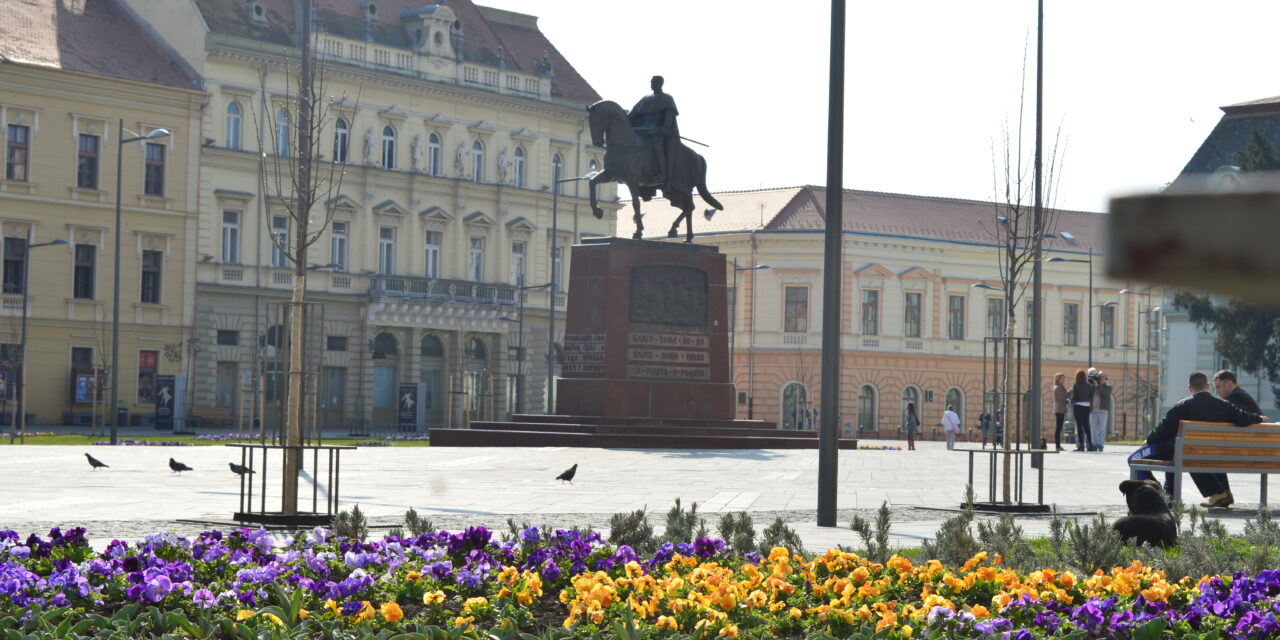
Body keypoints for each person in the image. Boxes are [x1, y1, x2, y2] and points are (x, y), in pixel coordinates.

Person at [1136, 371, 1268, 508]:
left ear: (1190, 388)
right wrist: (1257, 418)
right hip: (1209, 453)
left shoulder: (1182, 405)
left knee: (1134, 459)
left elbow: (1164, 428)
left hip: (1186, 453)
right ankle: (1174, 494)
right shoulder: (1223, 405)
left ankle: (1161, 495)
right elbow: (1241, 417)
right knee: (1180, 453)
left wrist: (1149, 440)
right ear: (1208, 386)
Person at [1213, 369, 1263, 499]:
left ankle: (1221, 493)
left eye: (1218, 387)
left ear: (1229, 384)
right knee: (1213, 454)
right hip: (1253, 449)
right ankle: (1222, 493)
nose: (1217, 392)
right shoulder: (1241, 395)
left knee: (1210, 456)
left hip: (1248, 451)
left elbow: (1230, 416)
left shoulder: (1236, 398)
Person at [628, 75, 679, 187]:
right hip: (643, 129)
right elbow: (634, 113)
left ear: (659, 84)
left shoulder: (667, 98)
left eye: (653, 82)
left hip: (657, 130)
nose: (651, 84)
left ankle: (662, 174)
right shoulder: (646, 98)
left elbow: (669, 114)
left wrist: (665, 127)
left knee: (657, 148)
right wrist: (624, 120)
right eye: (651, 82)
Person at [1070, 369, 1095, 451]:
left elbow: (1074, 397)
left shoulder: (1076, 385)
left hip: (1078, 406)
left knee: (1079, 426)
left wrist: (1071, 401)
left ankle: (1081, 446)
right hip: (1087, 406)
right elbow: (1091, 395)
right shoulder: (1088, 385)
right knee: (1086, 426)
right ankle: (1090, 445)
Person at [1090, 370, 1113, 452]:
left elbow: (1105, 394)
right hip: (1093, 410)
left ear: (1106, 378)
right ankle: (1094, 444)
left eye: (1103, 376)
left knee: (1102, 429)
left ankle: (1100, 445)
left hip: (1103, 411)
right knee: (1093, 429)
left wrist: (1098, 386)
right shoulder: (1093, 386)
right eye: (1100, 376)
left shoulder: (1108, 386)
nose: (1101, 378)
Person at [1052, 373, 1069, 451]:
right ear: (1058, 379)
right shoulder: (1057, 388)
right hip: (1059, 410)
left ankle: (1058, 445)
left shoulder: (1061, 387)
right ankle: (1057, 445)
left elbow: (1063, 398)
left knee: (1059, 428)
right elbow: (1061, 398)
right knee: (1058, 428)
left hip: (1061, 409)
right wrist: (1069, 392)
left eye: (1064, 378)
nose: (1064, 380)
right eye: (1062, 378)